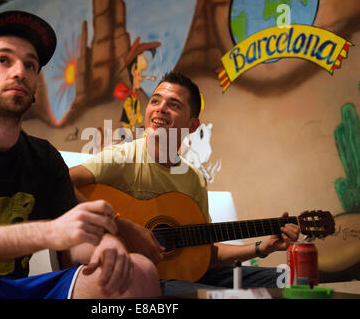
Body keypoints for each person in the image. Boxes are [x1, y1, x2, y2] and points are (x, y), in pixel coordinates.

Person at [0, 10, 160, 299]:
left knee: (138, 270)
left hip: (16, 289)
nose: (19, 71)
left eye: (30, 65)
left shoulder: (45, 158)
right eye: (3, 60)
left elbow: (80, 245)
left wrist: (106, 246)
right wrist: (50, 232)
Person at [69, 71, 300, 296]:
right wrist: (123, 227)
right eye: (155, 101)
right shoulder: (121, 158)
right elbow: (61, 183)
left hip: (189, 277)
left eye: (174, 104)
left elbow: (205, 252)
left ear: (192, 125)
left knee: (293, 280)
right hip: (139, 276)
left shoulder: (194, 179)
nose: (160, 108)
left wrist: (261, 248)